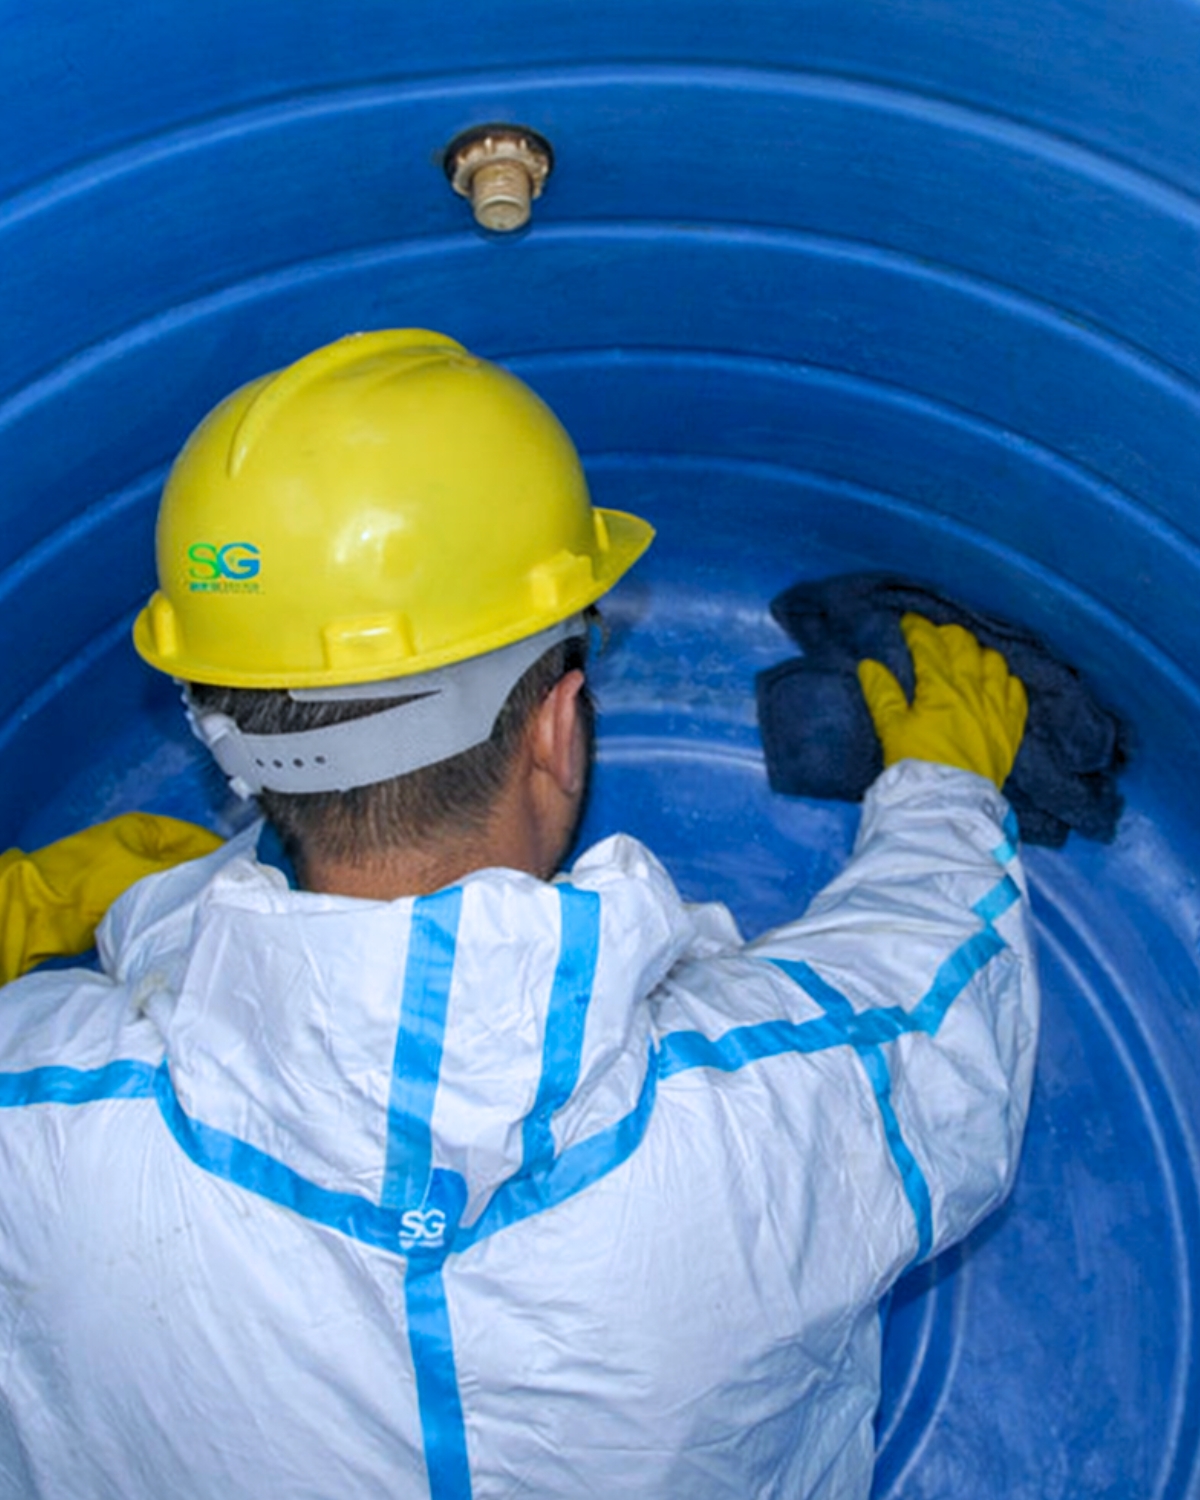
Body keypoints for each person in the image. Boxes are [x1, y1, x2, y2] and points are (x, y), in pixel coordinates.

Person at [0, 330, 1038, 1500]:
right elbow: (944, 1005)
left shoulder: (39, 1121)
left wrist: (71, 907)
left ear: (234, 741)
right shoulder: (777, 1114)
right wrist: (945, 793)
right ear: (556, 724)